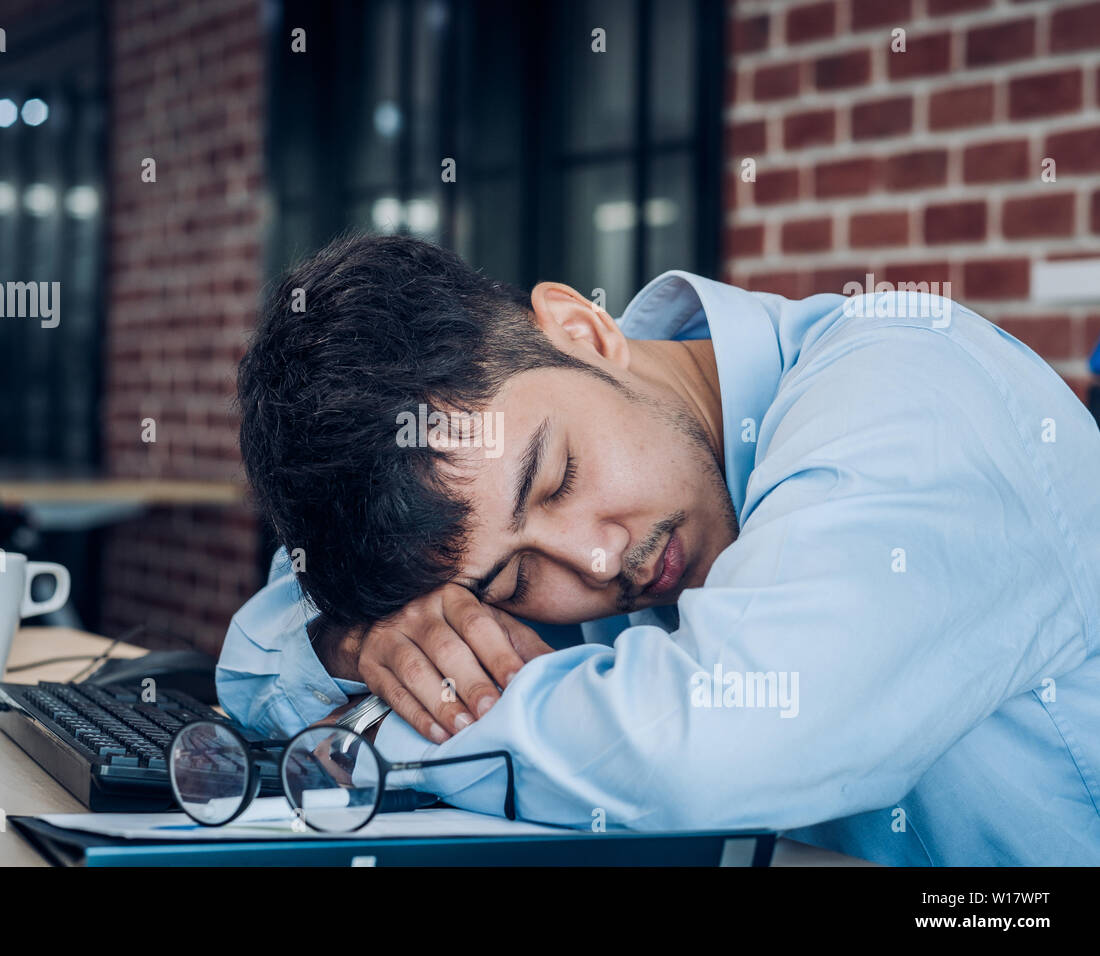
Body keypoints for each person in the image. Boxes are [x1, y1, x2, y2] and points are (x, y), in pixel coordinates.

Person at [219, 232, 1100, 865]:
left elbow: (725, 741)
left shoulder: (910, 393)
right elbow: (270, 625)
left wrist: (389, 726)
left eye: (558, 475)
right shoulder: (609, 495)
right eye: (517, 579)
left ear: (582, 331)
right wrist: (362, 645)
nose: (598, 563)